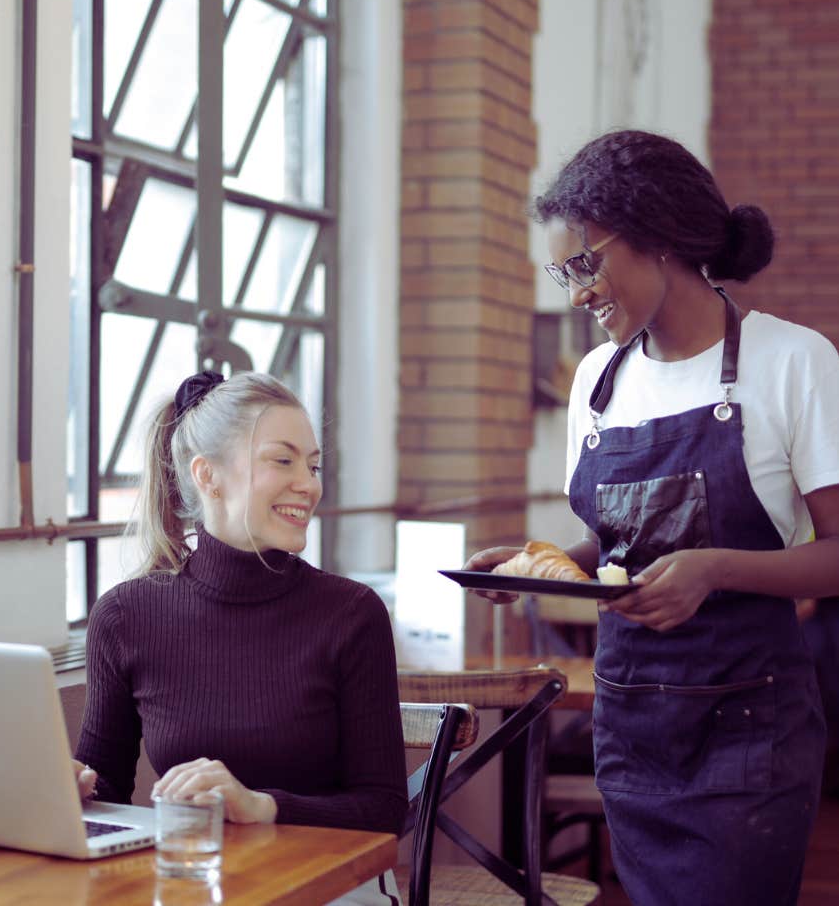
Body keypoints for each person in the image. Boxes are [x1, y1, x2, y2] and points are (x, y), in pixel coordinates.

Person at [470, 130, 839, 905]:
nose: (576, 293)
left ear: (658, 236)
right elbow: (620, 550)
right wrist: (544, 563)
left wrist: (716, 570)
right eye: (563, 271)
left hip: (749, 734)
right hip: (634, 727)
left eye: (585, 264)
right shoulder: (599, 382)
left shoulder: (793, 362)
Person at [73, 370, 407, 905]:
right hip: (190, 885)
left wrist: (261, 806)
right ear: (208, 475)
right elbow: (106, 790)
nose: (310, 483)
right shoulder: (125, 615)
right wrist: (70, 788)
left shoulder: (351, 614)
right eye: (284, 460)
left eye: (314, 464)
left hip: (329, 888)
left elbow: (386, 807)